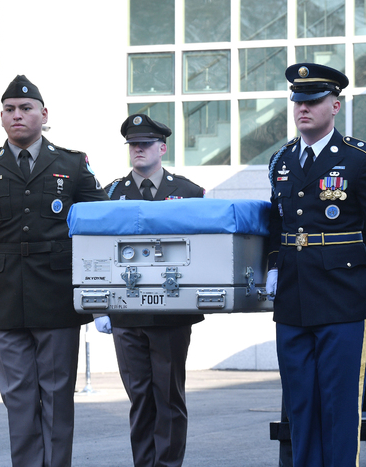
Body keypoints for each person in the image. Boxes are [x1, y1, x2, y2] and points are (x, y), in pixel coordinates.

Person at [0, 75, 109, 467]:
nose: (16, 115)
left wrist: (103, 296)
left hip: (57, 299)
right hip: (6, 303)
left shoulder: (72, 165)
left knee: (57, 398)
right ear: (2, 117)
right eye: (9, 110)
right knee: (18, 401)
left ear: (44, 114)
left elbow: (101, 229)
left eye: (25, 108)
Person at [266, 63, 366, 466]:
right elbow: (276, 222)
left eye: (313, 101)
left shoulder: (360, 158)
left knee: (339, 402)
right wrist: (273, 265)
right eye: (298, 101)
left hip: (343, 296)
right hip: (293, 297)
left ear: (335, 106)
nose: (303, 108)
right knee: (300, 403)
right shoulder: (282, 160)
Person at [97, 114, 205, 467]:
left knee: (169, 396)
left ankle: (168, 464)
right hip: (126, 313)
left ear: (162, 147)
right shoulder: (110, 194)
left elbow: (203, 250)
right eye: (133, 144)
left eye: (145, 143)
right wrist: (100, 306)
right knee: (140, 397)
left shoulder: (189, 193)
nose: (138, 149)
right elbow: (96, 251)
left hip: (172, 313)